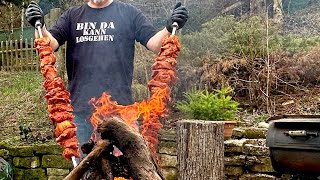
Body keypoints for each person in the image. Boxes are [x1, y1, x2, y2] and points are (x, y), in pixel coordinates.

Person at [25, 0, 188, 159]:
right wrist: (40, 25)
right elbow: (49, 44)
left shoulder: (129, 13)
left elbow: (155, 44)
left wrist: (169, 27)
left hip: (121, 112)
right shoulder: (72, 16)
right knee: (86, 172)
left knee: (127, 169)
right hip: (81, 114)